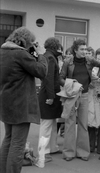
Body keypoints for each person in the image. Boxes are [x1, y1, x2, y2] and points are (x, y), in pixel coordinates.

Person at [0, 27, 47, 173]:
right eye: (31, 42)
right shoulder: (21, 54)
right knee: (18, 144)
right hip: (21, 105)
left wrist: (31, 52)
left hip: (6, 103)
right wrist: (40, 54)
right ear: (25, 41)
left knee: (8, 139)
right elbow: (41, 71)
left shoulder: (3, 52)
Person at [59, 39, 100, 162]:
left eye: (86, 49)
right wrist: (71, 84)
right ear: (75, 50)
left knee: (83, 124)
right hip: (71, 96)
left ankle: (83, 152)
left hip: (85, 95)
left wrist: (95, 79)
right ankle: (69, 153)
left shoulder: (89, 61)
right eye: (82, 49)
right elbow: (60, 78)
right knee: (69, 124)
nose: (85, 52)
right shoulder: (68, 62)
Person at [36, 37, 63, 165]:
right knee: (46, 125)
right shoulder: (51, 58)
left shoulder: (48, 56)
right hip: (49, 95)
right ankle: (43, 153)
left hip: (48, 93)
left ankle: (52, 148)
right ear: (55, 46)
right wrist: (51, 97)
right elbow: (49, 79)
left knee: (51, 123)